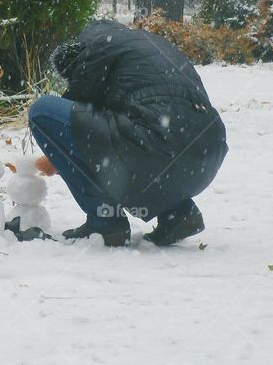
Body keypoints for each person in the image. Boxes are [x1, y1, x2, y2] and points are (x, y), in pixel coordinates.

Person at [25, 19, 228, 247]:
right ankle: (179, 214)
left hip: (157, 147)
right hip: (206, 155)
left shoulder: (99, 48)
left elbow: (76, 123)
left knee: (43, 112)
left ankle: (105, 221)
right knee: (153, 136)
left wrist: (57, 155)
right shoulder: (154, 45)